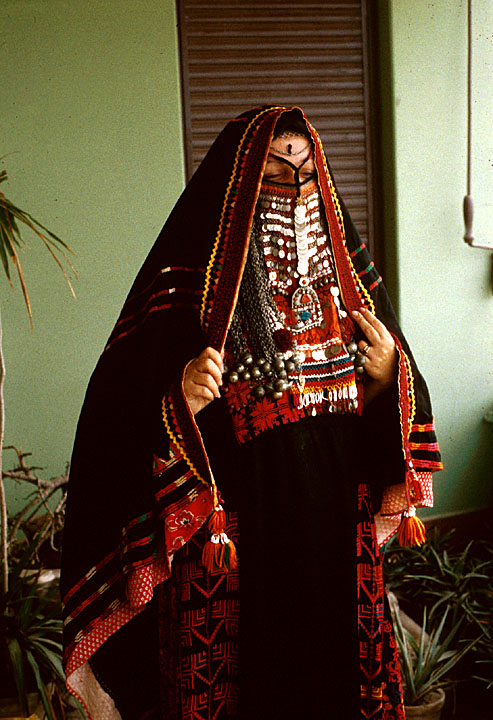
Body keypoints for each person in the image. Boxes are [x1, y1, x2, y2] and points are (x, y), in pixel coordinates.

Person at [61, 106, 442, 720]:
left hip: (332, 545)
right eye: (273, 169)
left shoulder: (351, 286)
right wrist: (176, 400)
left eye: (304, 167)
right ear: (239, 184)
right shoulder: (192, 290)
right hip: (236, 550)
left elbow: (399, 407)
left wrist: (386, 378)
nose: (293, 183)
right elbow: (113, 414)